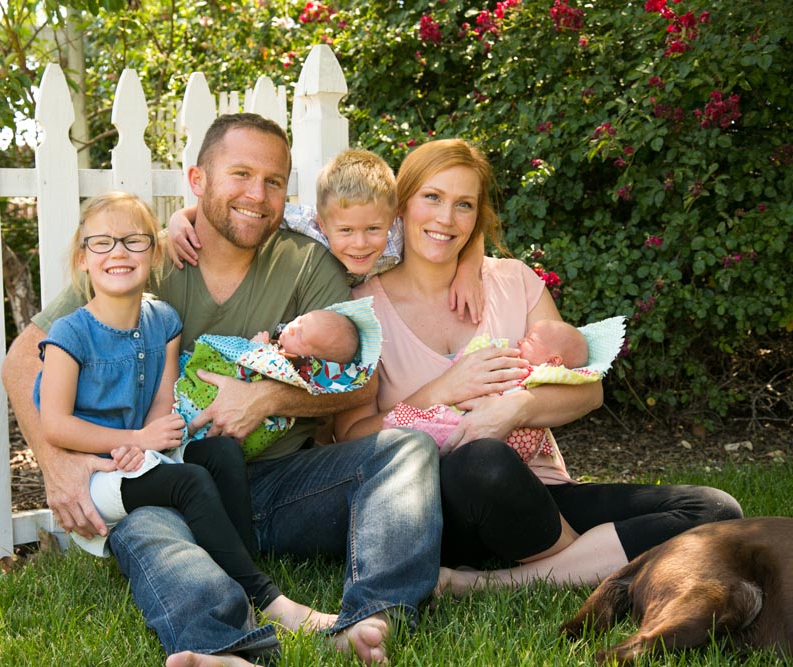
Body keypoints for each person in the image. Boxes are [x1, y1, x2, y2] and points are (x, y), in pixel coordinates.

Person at [1, 113, 441, 667]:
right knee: (144, 523)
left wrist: (269, 398)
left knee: (407, 448)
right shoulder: (146, 259)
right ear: (198, 180)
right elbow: (23, 361)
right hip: (169, 481)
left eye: (274, 181)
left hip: (278, 486)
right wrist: (55, 461)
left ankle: (373, 617)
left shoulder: (307, 262)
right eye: (240, 174)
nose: (257, 195)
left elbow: (361, 387)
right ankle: (224, 648)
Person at [334, 138, 743, 596]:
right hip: (442, 504)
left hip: (542, 494)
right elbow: (348, 436)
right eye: (432, 197)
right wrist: (441, 390)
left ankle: (491, 584)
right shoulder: (361, 309)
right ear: (402, 204)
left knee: (714, 509)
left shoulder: (513, 281)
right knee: (483, 461)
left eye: (464, 204)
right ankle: (591, 560)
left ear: (477, 216)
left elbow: (588, 391)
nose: (446, 219)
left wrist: (513, 410)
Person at [33, 192, 333, 631]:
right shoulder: (69, 335)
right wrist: (132, 443)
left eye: (133, 241)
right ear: (82, 258)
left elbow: (161, 401)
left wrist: (153, 438)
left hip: (142, 456)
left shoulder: (163, 321)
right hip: (94, 472)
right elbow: (56, 425)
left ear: (154, 253)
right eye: (101, 242)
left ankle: (240, 569)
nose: (118, 252)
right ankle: (266, 599)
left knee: (222, 452)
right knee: (190, 480)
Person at [168, 147, 488, 321]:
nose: (360, 243)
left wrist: (468, 270)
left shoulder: (401, 233)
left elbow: (462, 230)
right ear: (323, 224)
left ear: (392, 218)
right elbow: (252, 214)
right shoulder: (308, 222)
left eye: (373, 229)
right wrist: (183, 217)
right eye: (346, 230)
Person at [175, 300, 380, 460]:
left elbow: (266, 367)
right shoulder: (284, 344)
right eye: (299, 320)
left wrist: (256, 349)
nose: (291, 328)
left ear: (310, 360)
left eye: (300, 336)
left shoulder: (295, 369)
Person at [383, 318, 593, 460]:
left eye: (529, 340)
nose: (520, 340)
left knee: (442, 428)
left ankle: (410, 429)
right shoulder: (514, 362)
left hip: (497, 448)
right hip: (482, 447)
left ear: (554, 360)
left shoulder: (544, 375)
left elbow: (591, 392)